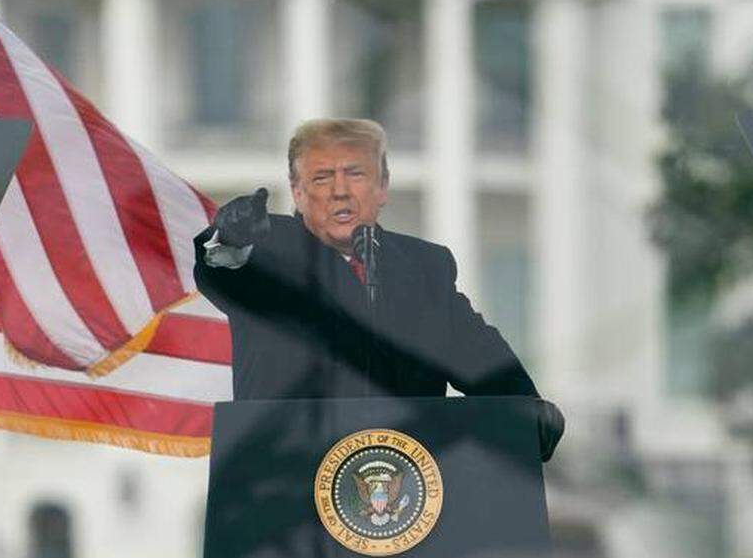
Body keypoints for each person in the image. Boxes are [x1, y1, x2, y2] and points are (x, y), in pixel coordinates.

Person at [194, 118, 564, 461]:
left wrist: (528, 412)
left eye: (355, 175)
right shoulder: (266, 250)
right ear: (297, 191)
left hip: (405, 496)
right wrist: (231, 240)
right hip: (286, 487)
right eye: (322, 178)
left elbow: (479, 358)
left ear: (382, 186)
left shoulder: (425, 268)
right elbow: (226, 270)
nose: (340, 192)